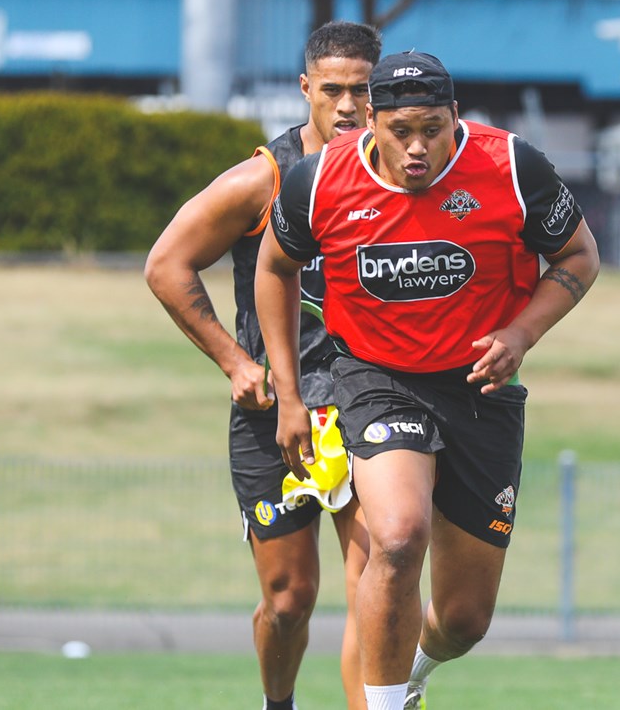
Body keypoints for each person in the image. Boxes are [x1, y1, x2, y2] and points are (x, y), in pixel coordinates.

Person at [256, 50, 599, 710]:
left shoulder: (511, 167)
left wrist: (522, 332)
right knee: (397, 533)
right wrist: (290, 394)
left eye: (433, 130)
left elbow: (579, 255)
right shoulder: (320, 179)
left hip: (479, 390)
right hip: (376, 378)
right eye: (402, 130)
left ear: (456, 119)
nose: (418, 149)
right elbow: (274, 268)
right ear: (370, 122)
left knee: (466, 619)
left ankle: (410, 673)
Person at [144, 20, 382, 710]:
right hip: (274, 416)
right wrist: (233, 362)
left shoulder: (397, 176)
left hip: (369, 407)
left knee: (377, 579)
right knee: (289, 599)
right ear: (305, 88)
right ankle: (280, 704)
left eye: (362, 92)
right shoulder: (266, 178)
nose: (346, 106)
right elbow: (166, 264)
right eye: (332, 90)